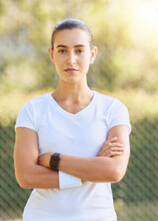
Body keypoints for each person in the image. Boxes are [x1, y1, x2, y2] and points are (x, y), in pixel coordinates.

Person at [14, 19, 131, 221]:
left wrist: (54, 160)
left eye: (79, 50)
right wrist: (94, 168)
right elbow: (26, 177)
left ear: (92, 54)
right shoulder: (32, 110)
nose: (71, 59)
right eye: (62, 50)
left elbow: (114, 171)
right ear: (51, 55)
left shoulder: (113, 109)